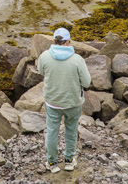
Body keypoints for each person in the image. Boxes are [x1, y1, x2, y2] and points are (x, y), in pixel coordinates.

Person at [37, 27, 91, 173]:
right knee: (71, 131)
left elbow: (41, 71)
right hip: (72, 102)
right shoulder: (77, 60)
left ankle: (52, 162)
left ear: (54, 40)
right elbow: (86, 83)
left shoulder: (45, 56)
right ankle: (68, 161)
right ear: (68, 41)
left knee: (52, 131)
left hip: (52, 101)